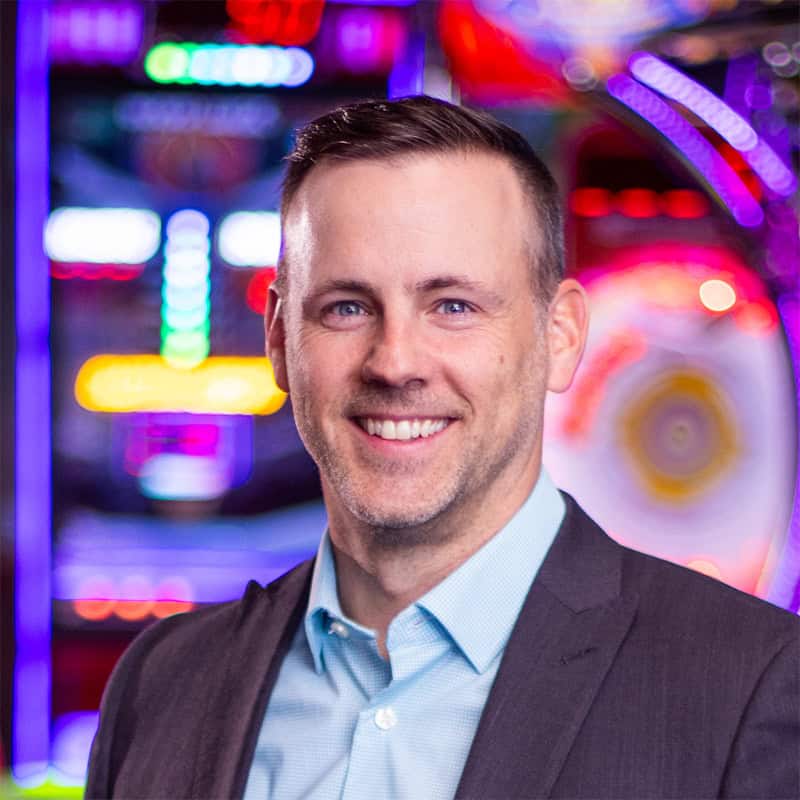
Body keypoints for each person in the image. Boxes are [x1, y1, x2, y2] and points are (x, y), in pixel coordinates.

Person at [86, 96, 799, 800]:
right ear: (279, 339)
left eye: (453, 306)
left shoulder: (749, 687)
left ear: (561, 336)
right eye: (348, 307)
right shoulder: (162, 685)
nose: (395, 363)